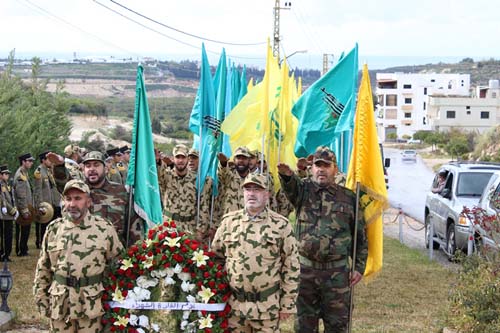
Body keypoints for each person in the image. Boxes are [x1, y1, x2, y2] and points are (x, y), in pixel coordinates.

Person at [277, 146, 367, 333]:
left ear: (335, 169)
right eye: (317, 165)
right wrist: (286, 175)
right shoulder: (302, 191)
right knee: (304, 326)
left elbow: (360, 235)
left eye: (326, 166)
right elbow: (290, 185)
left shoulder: (349, 198)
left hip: (337, 274)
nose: (321, 169)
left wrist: (358, 267)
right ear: (311, 168)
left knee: (338, 325)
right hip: (306, 272)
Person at [211, 173, 300, 332]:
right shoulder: (228, 222)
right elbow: (215, 259)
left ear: (267, 194)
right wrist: (216, 294)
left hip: (267, 307)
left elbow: (291, 266)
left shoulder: (280, 225)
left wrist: (287, 303)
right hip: (234, 307)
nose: (251, 193)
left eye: (257, 189)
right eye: (248, 189)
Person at [33, 179, 124, 332]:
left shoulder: (104, 228)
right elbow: (43, 267)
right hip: (60, 304)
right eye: (68, 199)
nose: (72, 204)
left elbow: (118, 266)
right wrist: (40, 298)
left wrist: (115, 301)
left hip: (91, 304)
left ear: (88, 202)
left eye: (78, 198)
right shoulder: (54, 229)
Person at [49, 150, 144, 247]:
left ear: (106, 169)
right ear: (83, 169)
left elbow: (133, 226)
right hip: (82, 252)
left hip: (114, 253)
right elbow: (63, 183)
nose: (92, 169)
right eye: (88, 166)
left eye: (96, 165)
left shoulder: (121, 192)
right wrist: (59, 166)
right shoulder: (78, 190)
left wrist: (135, 253)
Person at [158, 144, 211, 241]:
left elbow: (203, 206)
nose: (180, 160)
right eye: (178, 157)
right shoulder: (166, 176)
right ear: (173, 159)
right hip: (168, 226)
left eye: (183, 157)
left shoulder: (197, 180)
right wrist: (158, 161)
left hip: (189, 228)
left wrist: (200, 230)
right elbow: (157, 173)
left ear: (187, 159)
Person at [33, 151, 62, 249]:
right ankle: (41, 242)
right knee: (43, 226)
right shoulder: (39, 172)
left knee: (51, 225)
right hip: (45, 204)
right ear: (43, 160)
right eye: (48, 160)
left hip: (52, 203)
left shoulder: (48, 171)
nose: (50, 162)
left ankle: (49, 242)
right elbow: (38, 190)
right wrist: (40, 205)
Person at [13, 153, 35, 257]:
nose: (31, 163)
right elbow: (21, 194)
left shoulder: (24, 173)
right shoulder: (20, 175)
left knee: (26, 229)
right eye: (29, 161)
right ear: (23, 162)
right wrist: (24, 210)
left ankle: (23, 249)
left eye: (32, 161)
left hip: (27, 206)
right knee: (23, 230)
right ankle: (21, 250)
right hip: (23, 207)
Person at [0, 165, 17, 262]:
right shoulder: (0, 185)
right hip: (4, 214)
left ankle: (7, 253)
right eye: (5, 174)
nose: (7, 175)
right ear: (1, 175)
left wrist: (15, 209)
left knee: (9, 234)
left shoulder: (7, 184)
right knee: (4, 235)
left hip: (9, 213)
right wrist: (12, 210)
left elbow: (11, 198)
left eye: (7, 174)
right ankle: (3, 254)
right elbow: (3, 199)